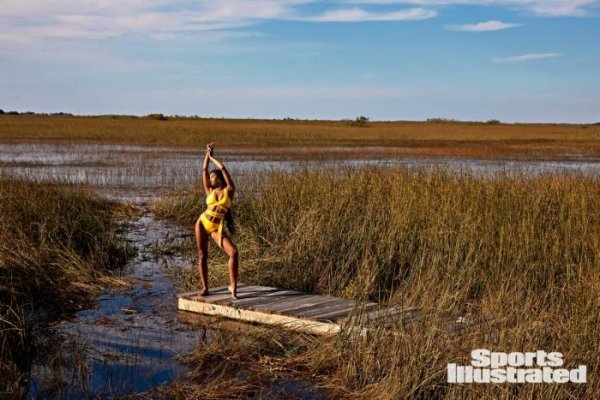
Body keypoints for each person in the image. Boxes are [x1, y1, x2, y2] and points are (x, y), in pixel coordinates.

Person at [195, 143, 239, 299]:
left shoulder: (229, 191)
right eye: (210, 179)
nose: (210, 180)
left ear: (220, 179)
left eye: (213, 178)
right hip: (202, 223)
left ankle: (233, 287)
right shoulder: (210, 190)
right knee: (202, 255)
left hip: (215, 228)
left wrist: (214, 157)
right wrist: (207, 154)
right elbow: (204, 170)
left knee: (233, 252)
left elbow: (223, 169)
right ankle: (205, 288)